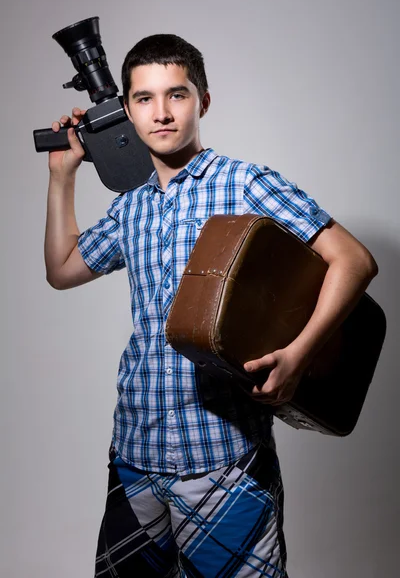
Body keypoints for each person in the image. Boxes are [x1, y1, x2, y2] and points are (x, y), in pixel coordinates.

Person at [45, 34, 378, 577]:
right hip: (135, 455)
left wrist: (297, 354)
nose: (161, 113)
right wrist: (62, 178)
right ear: (126, 110)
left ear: (203, 100)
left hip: (223, 455)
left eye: (177, 95)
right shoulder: (130, 204)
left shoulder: (245, 182)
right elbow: (62, 269)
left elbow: (354, 260)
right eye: (145, 99)